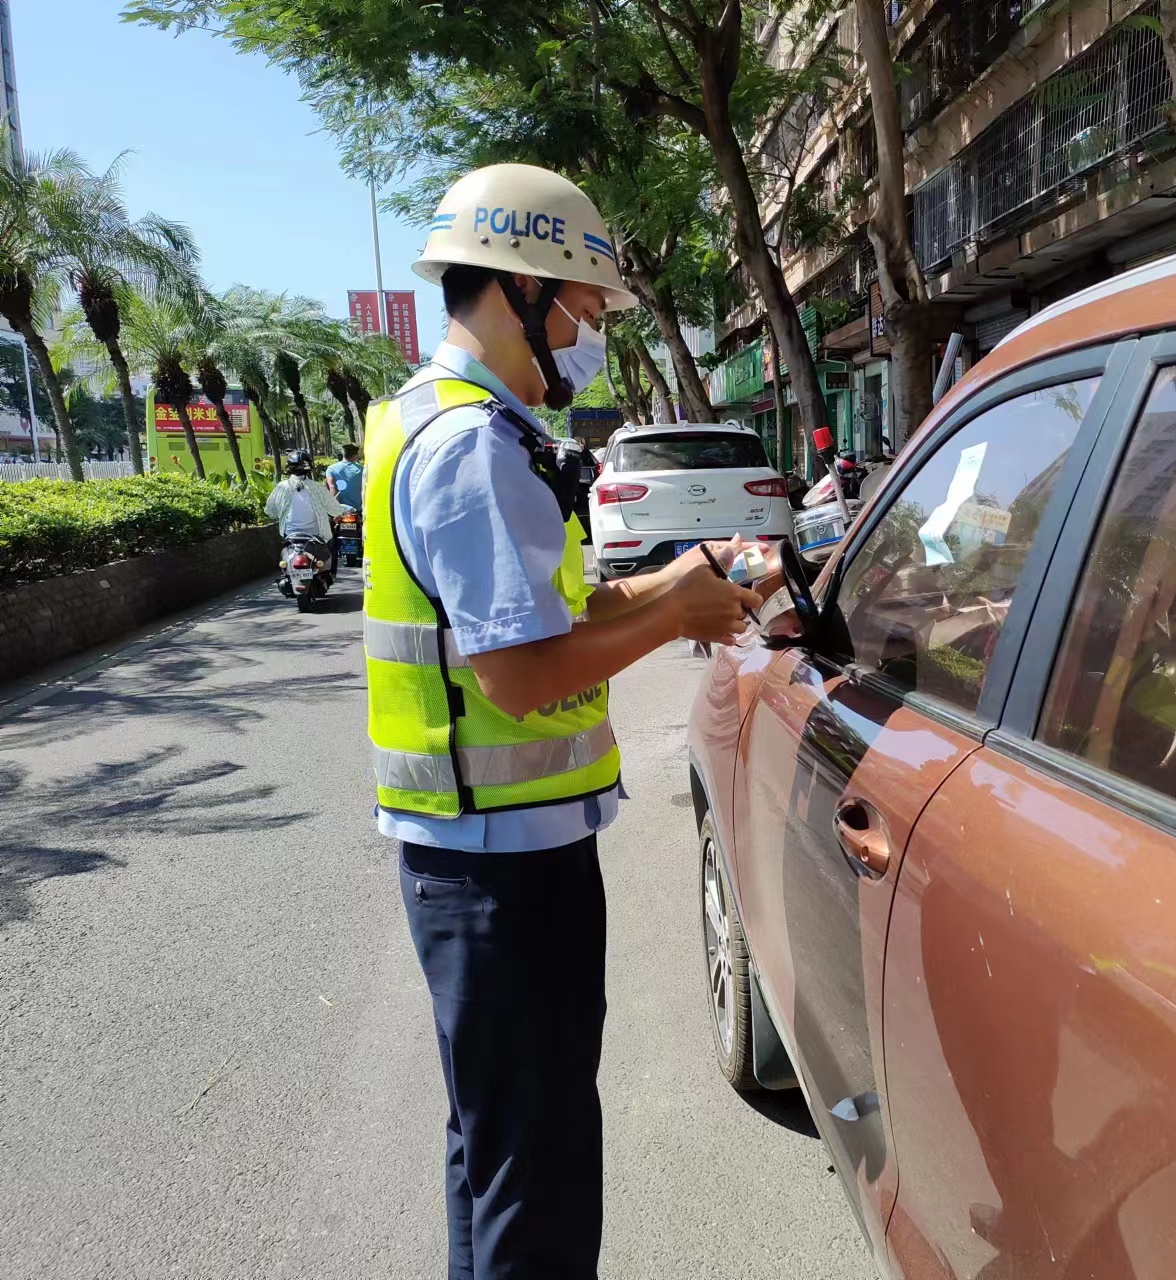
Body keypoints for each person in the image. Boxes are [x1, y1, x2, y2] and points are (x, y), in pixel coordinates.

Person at [364, 163, 760, 1280]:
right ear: (520, 287)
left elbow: (548, 612)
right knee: (532, 1178)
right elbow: (522, 671)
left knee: (497, 1159)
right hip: (500, 871)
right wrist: (672, 608)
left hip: (482, 856)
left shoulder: (437, 416)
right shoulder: (472, 447)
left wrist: (687, 579)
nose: (590, 331)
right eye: (584, 306)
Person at [264, 448, 346, 569]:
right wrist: (341, 510)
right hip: (315, 535)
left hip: (290, 535)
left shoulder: (281, 487)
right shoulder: (317, 487)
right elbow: (335, 510)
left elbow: (270, 511)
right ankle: (329, 576)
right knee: (331, 548)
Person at [326, 443, 364, 511]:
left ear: (343, 454)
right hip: (359, 509)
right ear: (355, 455)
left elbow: (332, 487)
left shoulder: (331, 469)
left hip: (342, 510)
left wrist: (334, 509)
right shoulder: (361, 469)